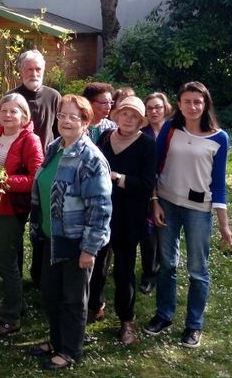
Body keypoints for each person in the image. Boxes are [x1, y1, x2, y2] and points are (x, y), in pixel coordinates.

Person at [143, 81, 232, 348]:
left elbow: (218, 184)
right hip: (167, 203)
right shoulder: (171, 129)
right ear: (179, 104)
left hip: (199, 210)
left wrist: (224, 225)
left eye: (198, 102)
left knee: (198, 269)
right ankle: (164, 314)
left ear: (205, 104)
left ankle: (194, 325)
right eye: (187, 101)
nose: (192, 106)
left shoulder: (220, 138)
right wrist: (155, 201)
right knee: (168, 264)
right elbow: (154, 168)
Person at [28, 94, 112, 370]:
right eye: (62, 115)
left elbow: (100, 207)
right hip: (53, 238)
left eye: (73, 117)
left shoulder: (91, 159)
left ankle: (71, 350)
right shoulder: (55, 147)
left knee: (73, 299)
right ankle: (56, 341)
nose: (65, 121)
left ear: (85, 122)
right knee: (51, 293)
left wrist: (90, 248)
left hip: (77, 242)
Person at [0, 94, 44, 337]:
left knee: (7, 263)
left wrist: (2, 180)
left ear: (24, 116)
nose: (7, 115)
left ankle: (11, 319)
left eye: (13, 111)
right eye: (3, 110)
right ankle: (15, 304)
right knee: (10, 259)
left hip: (10, 208)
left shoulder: (30, 140)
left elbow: (36, 178)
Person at [97, 96, 156, 345]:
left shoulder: (147, 145)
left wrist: (118, 178)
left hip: (129, 214)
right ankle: (94, 305)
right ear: (116, 115)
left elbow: (146, 185)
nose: (128, 119)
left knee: (124, 268)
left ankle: (127, 320)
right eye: (124, 113)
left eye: (134, 115)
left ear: (140, 120)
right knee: (96, 263)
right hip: (101, 210)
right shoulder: (104, 138)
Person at [9, 49, 61, 288]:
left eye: (38, 69)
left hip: (47, 171)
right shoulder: (12, 98)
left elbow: (61, 134)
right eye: (29, 69)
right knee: (15, 228)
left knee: (44, 226)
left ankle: (40, 276)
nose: (34, 73)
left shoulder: (54, 96)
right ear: (21, 71)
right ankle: (14, 278)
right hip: (18, 173)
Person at [82, 81, 117, 323]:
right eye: (103, 102)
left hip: (105, 198)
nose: (108, 107)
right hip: (79, 198)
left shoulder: (113, 129)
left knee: (102, 251)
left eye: (110, 102)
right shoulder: (77, 127)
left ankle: (97, 301)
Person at [138, 92, 173, 294]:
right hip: (149, 189)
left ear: (165, 108)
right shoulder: (142, 134)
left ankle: (165, 268)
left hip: (172, 187)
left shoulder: (174, 132)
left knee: (167, 231)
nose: (153, 111)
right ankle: (149, 273)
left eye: (157, 107)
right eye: (149, 108)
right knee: (149, 233)